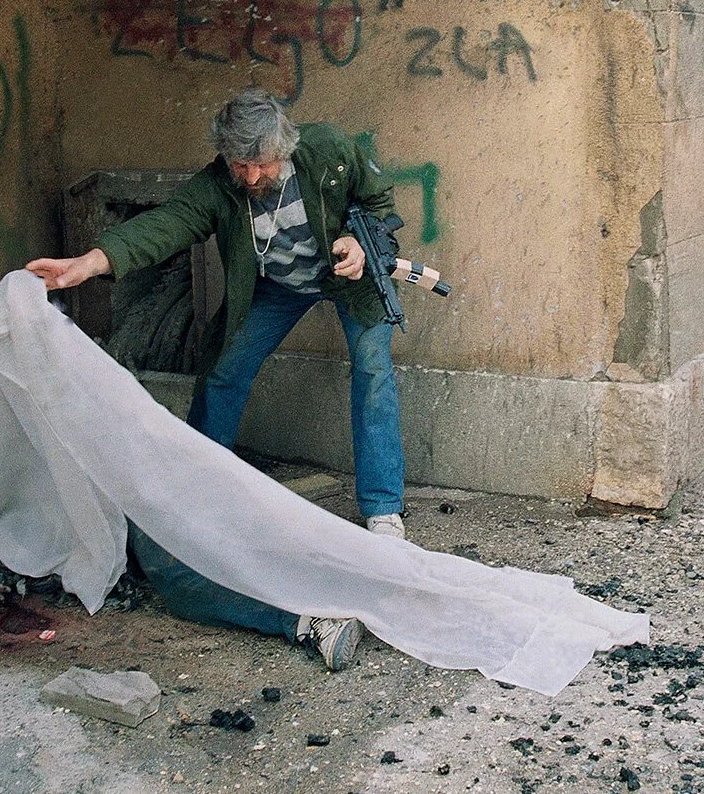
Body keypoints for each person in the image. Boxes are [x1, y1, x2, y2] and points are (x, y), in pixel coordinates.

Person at [21, 87, 413, 668]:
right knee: (225, 371)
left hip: (348, 278)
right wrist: (88, 263)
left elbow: (380, 206)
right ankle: (198, 490)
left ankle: (383, 509)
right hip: (275, 288)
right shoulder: (218, 187)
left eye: (263, 163)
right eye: (240, 164)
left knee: (374, 371)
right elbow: (166, 225)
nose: (252, 175)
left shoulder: (329, 149)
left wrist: (360, 243)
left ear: (286, 147)